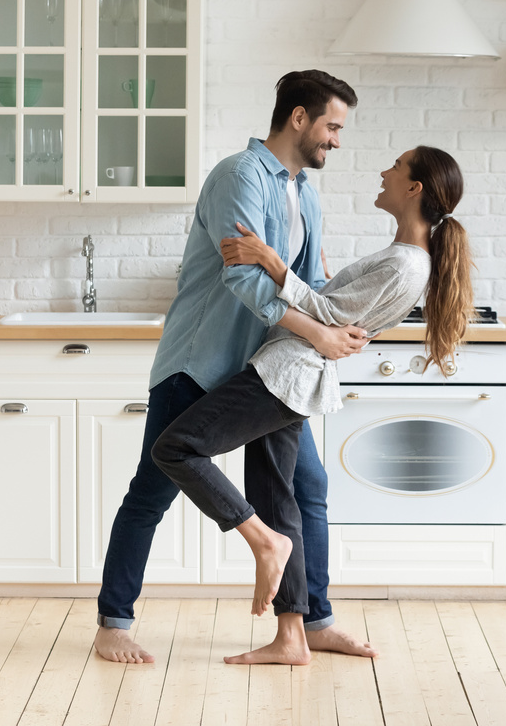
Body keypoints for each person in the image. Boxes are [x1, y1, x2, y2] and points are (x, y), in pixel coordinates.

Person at [94, 70, 377, 664]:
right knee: (152, 491)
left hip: (266, 371)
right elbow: (242, 276)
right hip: (200, 362)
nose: (337, 140)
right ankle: (113, 622)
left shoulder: (305, 192)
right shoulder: (239, 177)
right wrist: (318, 331)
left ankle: (313, 621)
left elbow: (311, 283)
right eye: (332, 125)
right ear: (298, 118)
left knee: (309, 488)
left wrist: (334, 323)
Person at [152, 146, 473, 665]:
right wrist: (312, 276)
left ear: (414, 189)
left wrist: (273, 262)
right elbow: (333, 309)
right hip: (291, 373)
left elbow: (325, 315)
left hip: (284, 374)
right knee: (281, 497)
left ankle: (261, 542)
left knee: (177, 448)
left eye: (396, 165)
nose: (384, 170)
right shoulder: (404, 257)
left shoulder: (406, 261)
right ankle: (292, 635)